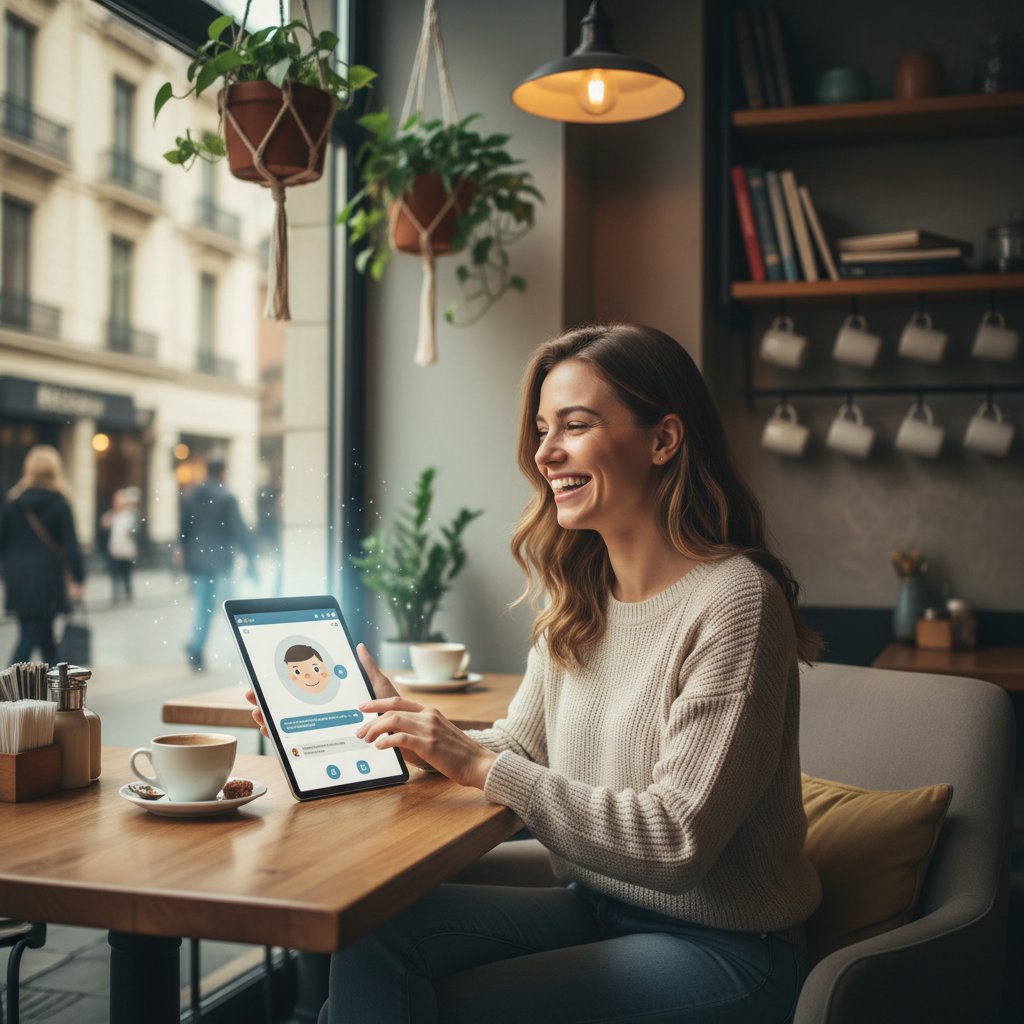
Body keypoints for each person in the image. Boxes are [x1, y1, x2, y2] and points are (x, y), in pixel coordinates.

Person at [249, 323, 824, 1022]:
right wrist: (403, 731)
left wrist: (473, 761)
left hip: (728, 950)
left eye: (574, 426)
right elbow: (519, 749)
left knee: (452, 1008)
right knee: (373, 938)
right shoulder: (579, 595)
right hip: (600, 905)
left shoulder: (735, 599)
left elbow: (678, 840)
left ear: (663, 440)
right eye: (543, 430)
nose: (545, 452)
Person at [0, 445, 85, 664]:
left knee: (42, 634)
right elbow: (70, 545)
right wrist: (79, 579)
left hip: (17, 577)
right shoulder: (60, 503)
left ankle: (57, 683)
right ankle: (8, 688)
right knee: (31, 636)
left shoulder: (13, 503)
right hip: (48, 578)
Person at [179, 457, 257, 672]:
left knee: (204, 607)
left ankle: (196, 645)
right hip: (220, 562)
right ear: (222, 472)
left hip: (198, 561)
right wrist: (251, 561)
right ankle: (249, 650)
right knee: (231, 607)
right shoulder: (226, 497)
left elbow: (184, 530)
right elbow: (239, 531)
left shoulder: (191, 495)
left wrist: (186, 560)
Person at [101, 487, 139, 602]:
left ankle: (128, 593)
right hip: (114, 549)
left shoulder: (131, 515)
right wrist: (104, 526)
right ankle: (115, 594)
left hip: (127, 549)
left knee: (126, 572)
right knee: (114, 573)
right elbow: (104, 531)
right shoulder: (111, 515)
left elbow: (135, 531)